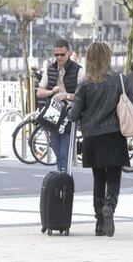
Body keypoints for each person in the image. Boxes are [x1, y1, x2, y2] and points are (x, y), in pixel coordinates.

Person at [67, 41, 133, 237]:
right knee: (113, 176)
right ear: (107, 57)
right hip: (114, 135)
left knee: (98, 178)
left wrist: (69, 107)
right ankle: (110, 206)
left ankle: (99, 224)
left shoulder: (84, 84)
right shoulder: (120, 79)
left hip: (92, 138)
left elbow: (74, 115)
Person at [36, 39, 84, 172]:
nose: (59, 57)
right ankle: (62, 178)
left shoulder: (78, 70)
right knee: (56, 149)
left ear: (68, 53)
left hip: (70, 115)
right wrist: (51, 91)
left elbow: (84, 95)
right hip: (53, 114)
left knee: (65, 152)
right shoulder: (50, 68)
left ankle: (65, 179)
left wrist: (66, 95)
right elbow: (39, 92)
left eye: (62, 54)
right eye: (56, 55)